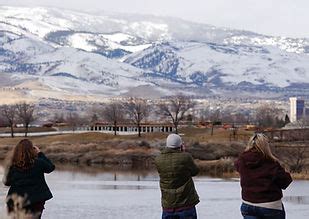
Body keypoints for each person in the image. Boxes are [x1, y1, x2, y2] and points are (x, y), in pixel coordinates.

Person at [235, 133, 292, 219]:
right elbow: (285, 182)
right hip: (270, 206)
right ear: (266, 146)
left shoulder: (242, 160)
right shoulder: (270, 163)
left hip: (248, 205)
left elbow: (238, 168)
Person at [3, 139, 55, 218]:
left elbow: (7, 182)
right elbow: (50, 168)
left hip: (16, 201)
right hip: (36, 201)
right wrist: (40, 153)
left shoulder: (13, 165)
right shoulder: (39, 163)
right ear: (32, 150)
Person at [155, 134, 199, 219]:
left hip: (168, 207)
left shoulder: (158, 159)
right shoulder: (186, 157)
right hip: (186, 206)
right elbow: (195, 171)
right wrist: (183, 152)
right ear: (180, 145)